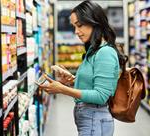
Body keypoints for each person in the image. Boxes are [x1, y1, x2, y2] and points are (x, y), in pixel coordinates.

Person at [37, 1, 127, 136]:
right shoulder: (94, 49)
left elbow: (101, 96)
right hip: (90, 118)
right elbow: (93, 84)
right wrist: (72, 81)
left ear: (94, 22)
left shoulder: (105, 52)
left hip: (95, 118)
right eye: (74, 26)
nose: (76, 32)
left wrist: (62, 89)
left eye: (79, 25)